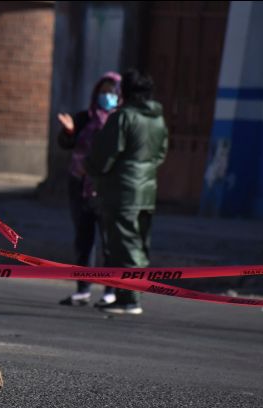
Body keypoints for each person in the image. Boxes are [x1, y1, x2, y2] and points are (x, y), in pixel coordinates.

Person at [84, 68, 169, 315]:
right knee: (140, 242)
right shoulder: (158, 118)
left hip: (123, 191)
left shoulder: (123, 117)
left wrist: (92, 170)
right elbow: (161, 153)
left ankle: (130, 298)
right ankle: (131, 293)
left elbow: (104, 156)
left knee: (125, 245)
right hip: (148, 189)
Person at [57, 72, 121, 307]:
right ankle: (83, 289)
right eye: (104, 91)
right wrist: (69, 133)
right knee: (83, 239)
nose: (107, 96)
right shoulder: (85, 117)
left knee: (109, 241)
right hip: (79, 186)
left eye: (112, 91)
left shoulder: (120, 120)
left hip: (107, 188)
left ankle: (110, 290)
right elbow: (65, 144)